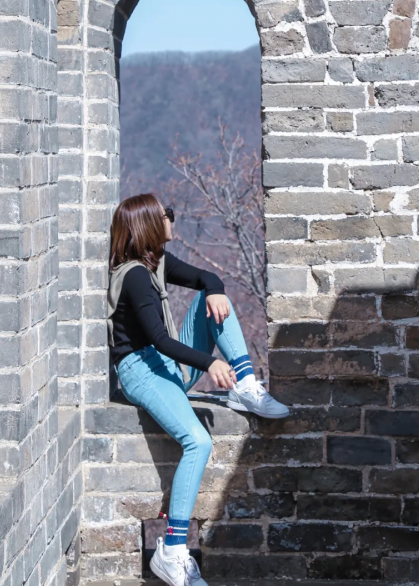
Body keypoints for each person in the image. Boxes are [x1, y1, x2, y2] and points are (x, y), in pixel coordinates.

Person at [108, 194, 289, 586]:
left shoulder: (156, 264)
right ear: (148, 226)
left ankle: (244, 382)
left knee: (213, 298)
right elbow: (156, 338)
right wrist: (209, 363)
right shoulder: (135, 276)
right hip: (142, 370)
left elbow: (206, 279)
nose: (174, 219)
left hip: (167, 365)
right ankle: (171, 551)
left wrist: (218, 289)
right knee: (197, 441)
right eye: (167, 215)